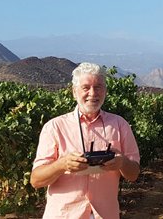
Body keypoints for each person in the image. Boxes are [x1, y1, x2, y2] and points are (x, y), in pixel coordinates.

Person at [30, 62, 140, 219]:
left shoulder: (120, 125)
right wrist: (62, 165)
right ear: (74, 92)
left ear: (105, 91)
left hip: (105, 214)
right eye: (86, 87)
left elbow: (134, 174)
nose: (93, 93)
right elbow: (36, 180)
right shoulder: (55, 127)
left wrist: (122, 162)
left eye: (98, 87)